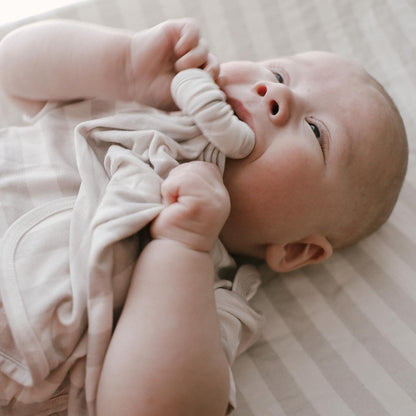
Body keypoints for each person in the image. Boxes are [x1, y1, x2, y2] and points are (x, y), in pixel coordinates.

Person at [0, 17, 407, 416]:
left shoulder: (209, 300)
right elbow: (13, 67)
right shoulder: (141, 102)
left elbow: (147, 408)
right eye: (279, 72)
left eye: (317, 132)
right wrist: (123, 64)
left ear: (297, 248)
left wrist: (181, 246)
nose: (276, 93)